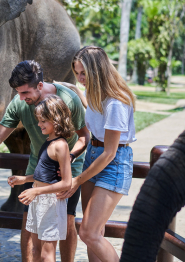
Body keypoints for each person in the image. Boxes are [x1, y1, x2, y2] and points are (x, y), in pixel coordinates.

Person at [0, 60, 90, 262]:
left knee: (66, 222)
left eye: (25, 93)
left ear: (40, 85)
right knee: (29, 224)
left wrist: (70, 160)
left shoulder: (68, 99)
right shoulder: (19, 102)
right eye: (18, 92)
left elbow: (84, 136)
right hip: (37, 170)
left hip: (68, 170)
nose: (20, 98)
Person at [57, 46, 136, 262]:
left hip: (112, 162)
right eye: (77, 73)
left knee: (88, 232)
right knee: (94, 232)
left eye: (84, 73)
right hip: (93, 155)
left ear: (97, 71)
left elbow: (110, 153)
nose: (80, 78)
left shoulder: (115, 103)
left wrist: (77, 180)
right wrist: (65, 86)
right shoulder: (94, 94)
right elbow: (85, 100)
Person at [7, 95, 73, 262]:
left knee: (46, 253)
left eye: (43, 121)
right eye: (39, 120)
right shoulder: (48, 141)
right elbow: (45, 173)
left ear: (56, 119)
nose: (39, 124)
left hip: (50, 203)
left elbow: (66, 183)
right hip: (38, 200)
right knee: (35, 250)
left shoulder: (61, 145)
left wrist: (36, 191)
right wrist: (24, 179)